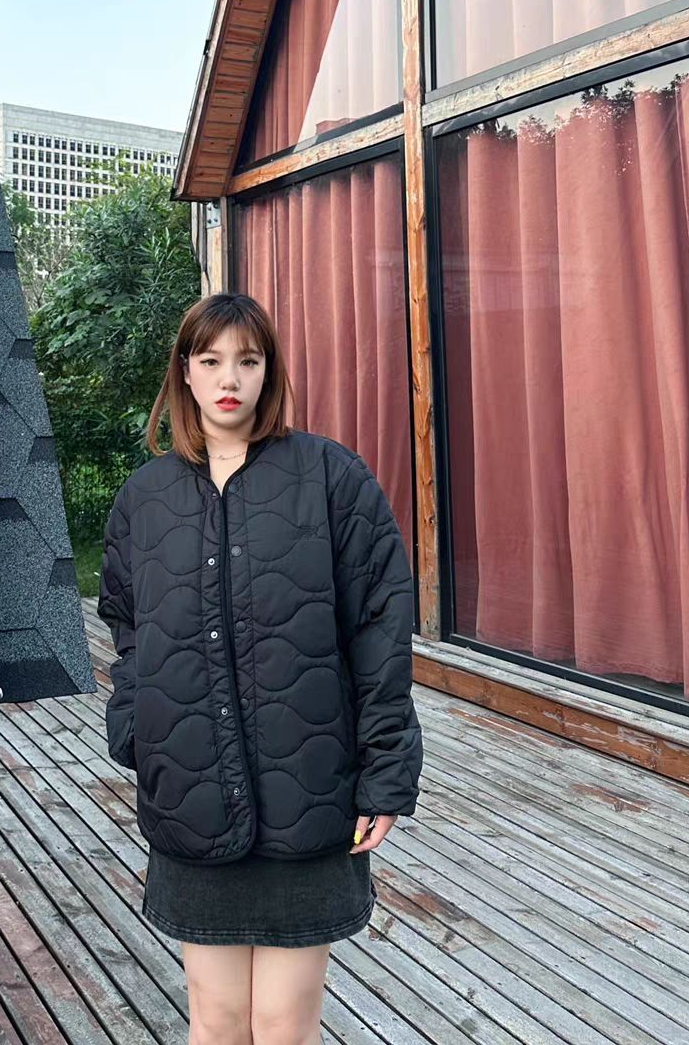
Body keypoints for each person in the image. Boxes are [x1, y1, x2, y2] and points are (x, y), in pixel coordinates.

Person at [98, 292, 423, 1045]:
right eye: (211, 360)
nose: (229, 379)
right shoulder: (144, 500)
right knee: (216, 1023)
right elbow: (129, 630)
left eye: (247, 360)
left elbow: (380, 632)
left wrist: (385, 773)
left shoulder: (331, 478)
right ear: (184, 371)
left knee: (281, 1027)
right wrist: (136, 729)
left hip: (309, 798)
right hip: (192, 800)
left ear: (268, 371)